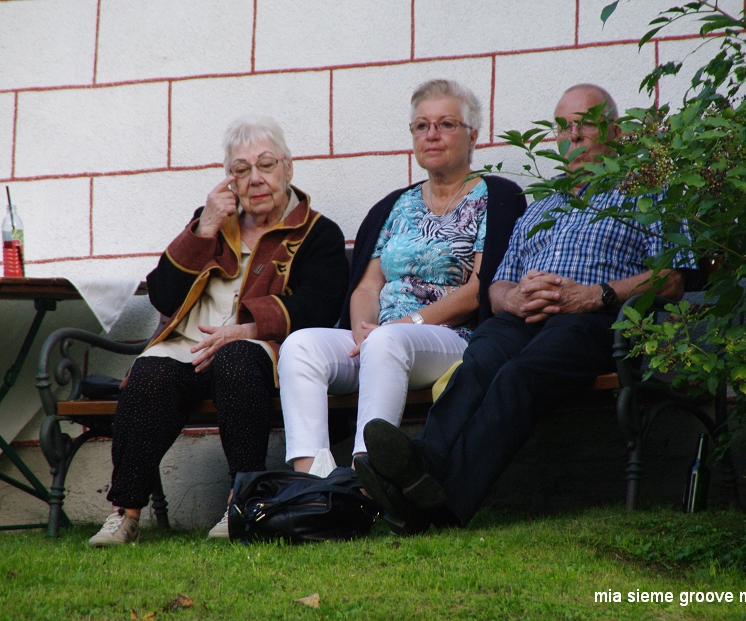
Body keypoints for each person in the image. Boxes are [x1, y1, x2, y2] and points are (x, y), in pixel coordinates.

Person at [355, 83, 694, 534]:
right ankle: (422, 465)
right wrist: (511, 297)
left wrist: (595, 295)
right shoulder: (541, 207)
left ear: (614, 130)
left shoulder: (649, 194)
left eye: (585, 124)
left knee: (519, 375)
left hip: (595, 319)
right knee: (478, 364)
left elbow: (673, 277)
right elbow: (496, 286)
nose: (572, 135)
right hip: (521, 318)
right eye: (562, 126)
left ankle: (442, 504)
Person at [89, 116, 349, 547]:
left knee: (237, 361)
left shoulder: (317, 232)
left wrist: (247, 329)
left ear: (288, 168)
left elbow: (318, 307)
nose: (256, 179)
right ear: (229, 179)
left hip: (259, 346)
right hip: (188, 348)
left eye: (266, 165)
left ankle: (240, 503)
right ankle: (125, 514)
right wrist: (203, 228)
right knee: (150, 372)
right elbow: (163, 295)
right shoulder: (211, 221)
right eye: (241, 170)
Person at [277, 79, 526, 473]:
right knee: (300, 346)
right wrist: (363, 329)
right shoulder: (397, 205)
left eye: (446, 124)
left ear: (473, 135)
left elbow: (480, 288)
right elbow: (368, 284)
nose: (432, 135)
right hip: (381, 340)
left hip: (451, 337)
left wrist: (403, 325)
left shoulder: (495, 197)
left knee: (388, 341)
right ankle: (313, 482)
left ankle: (368, 476)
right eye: (422, 126)